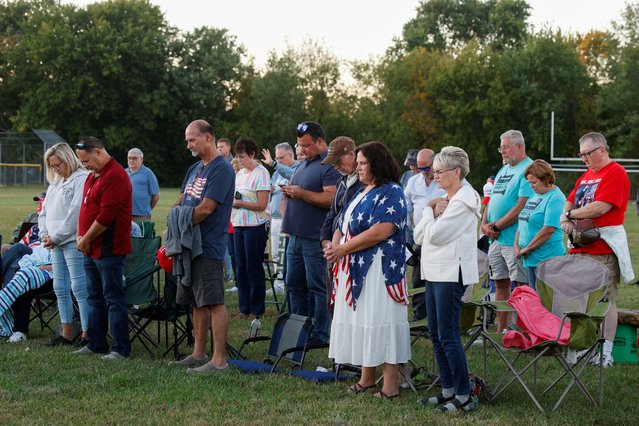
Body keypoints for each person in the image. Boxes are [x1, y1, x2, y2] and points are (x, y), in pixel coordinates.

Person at [324, 141, 410, 400]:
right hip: (354, 264)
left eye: (363, 164)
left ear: (377, 164)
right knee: (363, 321)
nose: (358, 168)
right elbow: (343, 221)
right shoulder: (363, 190)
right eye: (358, 163)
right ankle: (367, 378)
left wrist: (343, 249)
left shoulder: (392, 191)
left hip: (379, 268)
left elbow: (381, 231)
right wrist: (335, 244)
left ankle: (391, 385)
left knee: (380, 320)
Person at [414, 146, 481, 412]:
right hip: (433, 271)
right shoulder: (445, 199)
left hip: (451, 273)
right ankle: (448, 390)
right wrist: (430, 210)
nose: (435, 176)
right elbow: (419, 236)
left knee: (448, 335)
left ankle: (464, 396)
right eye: (434, 171)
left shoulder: (464, 201)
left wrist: (429, 211)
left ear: (457, 172)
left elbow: (436, 236)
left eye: (439, 171)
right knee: (435, 333)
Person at [560, 132, 633, 368]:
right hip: (581, 246)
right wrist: (566, 218)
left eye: (587, 154)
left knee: (606, 300)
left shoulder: (616, 172)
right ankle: (590, 347)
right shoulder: (587, 175)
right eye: (581, 154)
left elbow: (601, 207)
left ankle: (606, 352)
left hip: (603, 248)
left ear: (602, 149)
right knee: (582, 301)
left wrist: (570, 216)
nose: (584, 159)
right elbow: (570, 199)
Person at [171, 119, 235, 374]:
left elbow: (207, 208)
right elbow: (182, 198)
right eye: (187, 140)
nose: (189, 145)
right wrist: (175, 217)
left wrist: (181, 224)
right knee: (196, 301)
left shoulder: (222, 169)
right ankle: (199, 353)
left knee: (213, 301)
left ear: (208, 137)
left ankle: (219, 361)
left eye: (192, 139)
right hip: (190, 245)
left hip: (208, 244)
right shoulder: (195, 168)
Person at [280, 121, 340, 344]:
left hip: (315, 238)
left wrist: (301, 194)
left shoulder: (329, 166)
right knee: (294, 285)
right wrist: (290, 195)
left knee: (318, 287)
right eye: (299, 145)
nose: (301, 150)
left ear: (320, 141)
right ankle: (298, 332)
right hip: (294, 236)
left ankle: (321, 334)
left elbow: (332, 198)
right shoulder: (303, 164)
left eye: (306, 145)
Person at [73, 137, 132, 361]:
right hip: (90, 249)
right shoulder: (92, 175)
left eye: (86, 160)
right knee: (94, 297)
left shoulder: (115, 175)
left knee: (113, 298)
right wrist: (81, 235)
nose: (84, 165)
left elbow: (106, 216)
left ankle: (120, 348)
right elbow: (86, 210)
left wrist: (86, 239)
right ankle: (96, 343)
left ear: (98, 152)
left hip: (109, 249)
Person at [481, 130, 533, 332]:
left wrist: (497, 226)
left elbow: (522, 204)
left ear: (520, 146)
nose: (502, 152)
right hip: (496, 239)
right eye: (500, 148)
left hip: (514, 239)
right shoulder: (504, 170)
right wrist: (484, 224)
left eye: (506, 147)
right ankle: (502, 330)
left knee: (520, 285)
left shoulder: (529, 168)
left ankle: (525, 330)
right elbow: (491, 200)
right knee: (500, 283)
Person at [39, 142, 90, 346]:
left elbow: (76, 213)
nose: (55, 169)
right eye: (52, 166)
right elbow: (44, 212)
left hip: (71, 241)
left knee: (79, 287)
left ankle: (87, 333)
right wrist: (45, 234)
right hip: (54, 243)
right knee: (59, 286)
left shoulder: (81, 178)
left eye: (57, 164)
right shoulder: (56, 182)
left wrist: (57, 236)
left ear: (67, 159)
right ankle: (66, 332)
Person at [319, 136, 364, 311]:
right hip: (333, 248)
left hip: (352, 249)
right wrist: (325, 240)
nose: (335, 166)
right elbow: (332, 213)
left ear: (352, 155)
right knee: (333, 300)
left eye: (338, 161)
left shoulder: (365, 182)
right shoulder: (341, 181)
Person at [404, 149, 445, 321]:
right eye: (419, 169)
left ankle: (437, 316)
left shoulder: (444, 179)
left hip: (441, 236)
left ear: (434, 163)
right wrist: (407, 225)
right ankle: (420, 316)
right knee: (419, 277)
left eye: (426, 169)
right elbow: (405, 205)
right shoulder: (413, 182)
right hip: (419, 238)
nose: (422, 173)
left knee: (438, 278)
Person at [231, 137, 270, 319]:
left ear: (252, 154)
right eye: (238, 157)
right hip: (238, 225)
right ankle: (243, 308)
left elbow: (262, 204)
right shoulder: (239, 173)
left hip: (255, 226)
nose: (239, 161)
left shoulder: (262, 173)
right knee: (240, 267)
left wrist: (240, 203)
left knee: (253, 267)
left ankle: (256, 309)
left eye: (242, 157)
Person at [514, 160, 566, 288]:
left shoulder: (555, 198)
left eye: (534, 182)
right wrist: (516, 245)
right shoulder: (534, 195)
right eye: (529, 182)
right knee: (535, 301)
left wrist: (527, 249)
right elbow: (522, 221)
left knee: (547, 302)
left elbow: (548, 229)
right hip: (531, 259)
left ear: (546, 179)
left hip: (548, 258)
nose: (531, 186)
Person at [261, 142, 299, 271]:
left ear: (290, 155)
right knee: (276, 251)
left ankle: (285, 280)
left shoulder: (297, 168)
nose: (278, 161)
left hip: (289, 218)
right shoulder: (277, 172)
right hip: (275, 218)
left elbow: (290, 175)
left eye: (280, 158)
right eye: (277, 158)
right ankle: (278, 281)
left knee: (286, 252)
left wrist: (273, 164)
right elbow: (272, 186)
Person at [126, 148, 160, 223]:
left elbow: (156, 196)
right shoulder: (124, 173)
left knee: (140, 235)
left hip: (141, 216)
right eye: (129, 158)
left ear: (141, 159)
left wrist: (147, 208)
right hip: (126, 214)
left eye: (134, 158)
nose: (131, 160)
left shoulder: (148, 173)